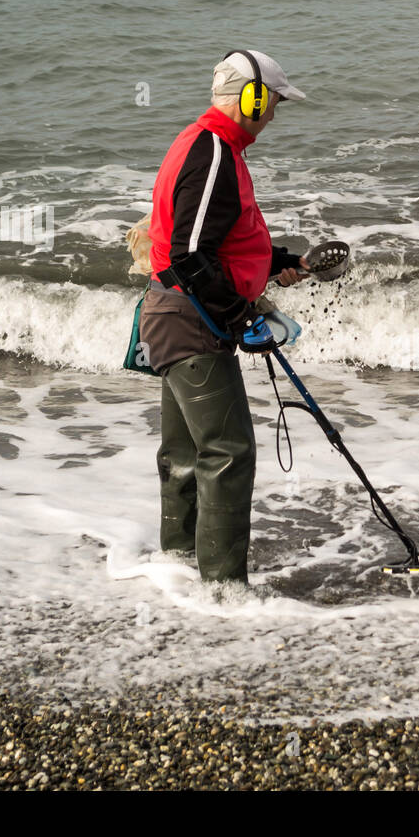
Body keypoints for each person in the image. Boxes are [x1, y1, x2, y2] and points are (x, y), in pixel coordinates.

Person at [139, 49, 309, 586]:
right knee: (228, 454)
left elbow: (208, 243)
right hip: (191, 322)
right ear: (252, 98)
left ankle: (178, 566)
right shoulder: (213, 151)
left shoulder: (202, 143)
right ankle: (224, 592)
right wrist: (240, 314)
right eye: (274, 101)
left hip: (172, 313)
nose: (275, 114)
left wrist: (278, 263)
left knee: (187, 453)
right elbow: (190, 256)